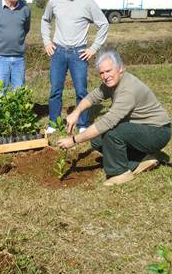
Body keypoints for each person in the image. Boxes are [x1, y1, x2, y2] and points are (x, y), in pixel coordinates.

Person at [57, 50, 171, 186]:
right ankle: (142, 159)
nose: (105, 76)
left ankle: (120, 173)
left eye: (109, 71)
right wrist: (76, 112)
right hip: (141, 128)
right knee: (97, 140)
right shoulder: (112, 83)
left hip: (157, 132)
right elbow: (92, 97)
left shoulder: (128, 90)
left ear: (121, 68)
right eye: (102, 73)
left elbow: (106, 122)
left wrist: (74, 140)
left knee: (111, 133)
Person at [41, 0, 109, 134]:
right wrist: (47, 42)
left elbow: (103, 24)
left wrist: (93, 48)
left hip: (78, 53)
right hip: (58, 51)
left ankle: (83, 123)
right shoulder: (54, 1)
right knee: (55, 89)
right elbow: (45, 21)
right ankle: (54, 123)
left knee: (81, 90)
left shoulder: (88, 2)